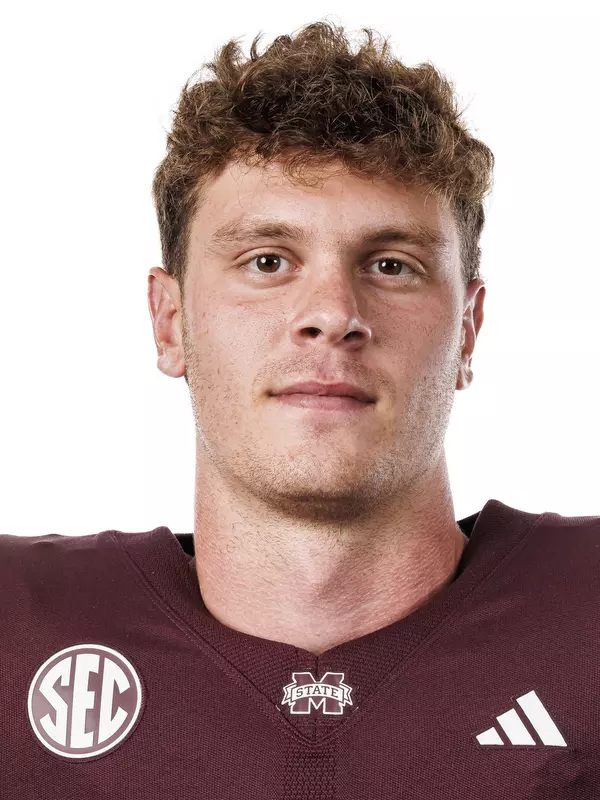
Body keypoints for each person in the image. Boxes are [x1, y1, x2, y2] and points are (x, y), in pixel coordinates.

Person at [2, 20, 599, 800]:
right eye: (269, 261)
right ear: (170, 321)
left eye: (392, 264)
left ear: (469, 329)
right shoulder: (18, 629)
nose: (332, 313)